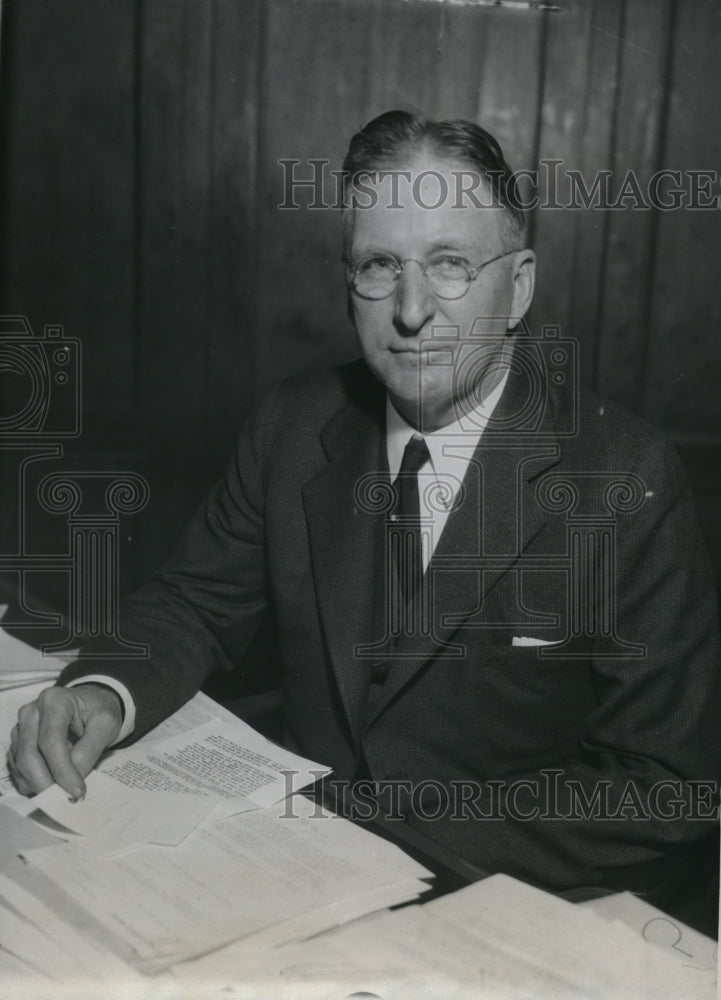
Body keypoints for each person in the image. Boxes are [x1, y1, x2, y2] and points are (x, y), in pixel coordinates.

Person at [9, 110, 721, 902]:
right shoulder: (295, 424)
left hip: (501, 904)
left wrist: (373, 838)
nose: (411, 311)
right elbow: (196, 601)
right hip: (281, 884)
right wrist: (104, 692)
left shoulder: (622, 473)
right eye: (380, 265)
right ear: (348, 281)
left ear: (517, 287)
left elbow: (663, 783)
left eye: (450, 264)